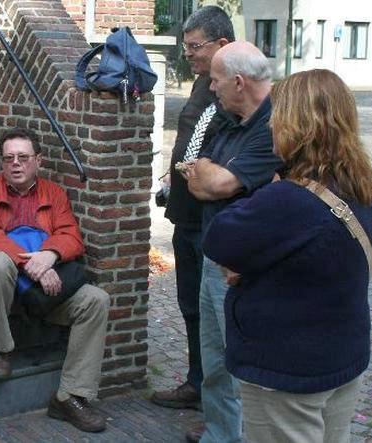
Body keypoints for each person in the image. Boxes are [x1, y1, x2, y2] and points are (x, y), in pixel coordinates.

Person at [202, 69, 372, 442]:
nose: (270, 126)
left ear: (298, 126)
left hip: (287, 372)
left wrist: (273, 187)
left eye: (278, 117)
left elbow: (219, 237)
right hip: (341, 358)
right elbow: (311, 263)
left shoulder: (289, 200)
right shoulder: (358, 189)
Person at [0, 128, 110, 433]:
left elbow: (71, 236)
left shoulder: (54, 193)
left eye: (23, 157)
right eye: (9, 158)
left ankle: (71, 396)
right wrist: (32, 264)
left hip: (39, 289)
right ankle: (2, 347)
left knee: (96, 300)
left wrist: (50, 255)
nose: (16, 163)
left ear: (38, 160)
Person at [183, 41, 282, 443]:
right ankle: (221, 435)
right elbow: (198, 174)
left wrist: (213, 177)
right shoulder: (229, 118)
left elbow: (219, 182)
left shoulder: (276, 126)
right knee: (215, 362)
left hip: (242, 267)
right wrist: (212, 178)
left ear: (239, 82)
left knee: (243, 360)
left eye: (217, 81)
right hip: (214, 255)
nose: (211, 88)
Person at [152, 6, 234, 421]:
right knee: (191, 307)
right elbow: (192, 134)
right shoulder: (205, 81)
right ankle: (197, 383)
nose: (188, 55)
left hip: (212, 221)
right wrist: (174, 171)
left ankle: (221, 413)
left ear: (222, 44)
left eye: (195, 47)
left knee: (218, 316)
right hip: (186, 216)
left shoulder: (234, 89)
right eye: (185, 47)